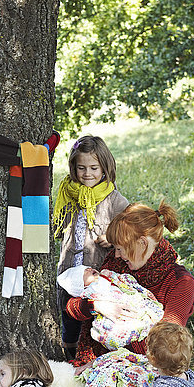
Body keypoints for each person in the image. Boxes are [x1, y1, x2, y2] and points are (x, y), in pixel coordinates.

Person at [65, 200, 194, 373]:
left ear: (142, 242)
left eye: (120, 249)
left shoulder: (179, 283)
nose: (116, 255)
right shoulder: (116, 263)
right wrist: (95, 306)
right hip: (97, 359)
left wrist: (110, 359)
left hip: (144, 368)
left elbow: (166, 344)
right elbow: (72, 307)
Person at [53, 135, 129, 360]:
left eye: (94, 167)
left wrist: (114, 238)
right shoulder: (69, 195)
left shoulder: (116, 201)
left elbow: (131, 232)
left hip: (98, 277)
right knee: (70, 318)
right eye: (81, 168)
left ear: (105, 167)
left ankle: (96, 359)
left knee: (94, 320)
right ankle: (71, 356)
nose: (87, 174)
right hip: (70, 274)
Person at [57, 265, 163, 351]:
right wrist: (97, 305)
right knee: (115, 329)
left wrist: (115, 278)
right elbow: (73, 307)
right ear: (81, 285)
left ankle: (146, 323)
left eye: (87, 267)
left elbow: (126, 283)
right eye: (83, 272)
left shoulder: (107, 276)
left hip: (130, 303)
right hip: (114, 314)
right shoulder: (90, 290)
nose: (89, 269)